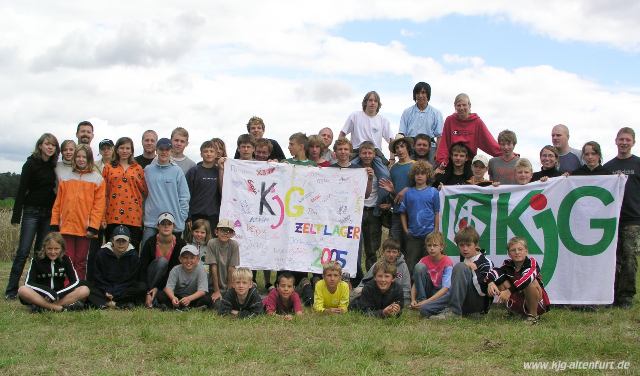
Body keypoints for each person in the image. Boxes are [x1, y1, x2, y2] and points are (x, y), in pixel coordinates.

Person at [5, 133, 59, 300]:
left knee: (40, 252)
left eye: (53, 145)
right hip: (31, 212)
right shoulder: (30, 164)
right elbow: (21, 190)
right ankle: (11, 290)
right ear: (40, 146)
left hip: (47, 214)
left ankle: (35, 287)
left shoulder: (54, 166)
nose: (50, 147)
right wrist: (16, 215)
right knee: (23, 251)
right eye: (47, 144)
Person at [51, 144, 105, 280]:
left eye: (84, 157)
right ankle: (66, 289)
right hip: (66, 227)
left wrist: (93, 227)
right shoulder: (66, 177)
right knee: (67, 260)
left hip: (85, 229)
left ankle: (79, 292)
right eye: (78, 157)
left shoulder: (97, 179)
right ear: (74, 158)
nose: (81, 160)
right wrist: (54, 224)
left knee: (81, 262)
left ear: (89, 159)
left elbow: (98, 207)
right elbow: (58, 203)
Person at [603, 127, 640, 308]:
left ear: (633, 142)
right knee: (611, 259)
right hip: (610, 219)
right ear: (615, 141)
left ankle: (626, 297)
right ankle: (611, 295)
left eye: (627, 140)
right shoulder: (608, 167)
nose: (624, 143)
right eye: (621, 139)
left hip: (632, 219)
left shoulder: (638, 164)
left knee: (630, 259)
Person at [430, 226, 494, 319]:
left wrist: (474, 270)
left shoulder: (485, 262)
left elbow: (484, 292)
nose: (465, 249)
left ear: (476, 245)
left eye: (468, 245)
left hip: (478, 306)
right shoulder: (464, 259)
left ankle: (455, 312)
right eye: (461, 245)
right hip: (463, 303)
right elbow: (455, 288)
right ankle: (451, 309)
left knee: (460, 266)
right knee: (426, 309)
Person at [17, 232, 89, 312]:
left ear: (62, 248)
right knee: (22, 290)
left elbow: (75, 281)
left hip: (59, 296)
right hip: (41, 295)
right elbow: (29, 283)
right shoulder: (36, 260)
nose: (53, 252)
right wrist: (48, 292)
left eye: (56, 249)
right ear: (44, 248)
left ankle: (45, 307)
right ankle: (58, 308)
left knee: (85, 290)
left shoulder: (66, 259)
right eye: (49, 249)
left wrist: (59, 294)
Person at [488, 236, 551, 324]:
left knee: (531, 282)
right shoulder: (507, 264)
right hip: (519, 299)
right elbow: (494, 272)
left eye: (520, 249)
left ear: (526, 251)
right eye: (513, 250)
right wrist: (490, 283)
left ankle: (533, 317)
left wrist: (509, 291)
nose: (517, 252)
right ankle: (514, 312)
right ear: (509, 254)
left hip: (537, 303)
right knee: (500, 281)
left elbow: (526, 279)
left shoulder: (532, 263)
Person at [142, 137, 190, 247]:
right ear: (156, 150)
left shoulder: (177, 171)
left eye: (167, 150)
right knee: (147, 255)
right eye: (161, 149)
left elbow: (184, 196)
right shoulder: (148, 170)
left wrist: (181, 216)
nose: (164, 152)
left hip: (173, 223)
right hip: (152, 222)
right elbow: (143, 193)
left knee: (173, 259)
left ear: (171, 151)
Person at [102, 137, 147, 249]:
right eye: (122, 148)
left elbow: (145, 191)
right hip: (112, 215)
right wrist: (102, 217)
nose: (125, 151)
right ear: (116, 150)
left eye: (128, 148)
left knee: (132, 251)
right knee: (112, 250)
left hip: (133, 217)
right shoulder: (108, 168)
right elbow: (103, 193)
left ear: (131, 151)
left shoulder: (138, 168)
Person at [397, 160, 440, 275]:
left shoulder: (433, 192)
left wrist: (435, 231)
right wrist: (406, 230)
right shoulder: (408, 193)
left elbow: (437, 212)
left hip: (429, 236)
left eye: (422, 173)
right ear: (413, 176)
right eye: (417, 173)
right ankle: (410, 291)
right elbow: (402, 213)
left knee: (429, 266)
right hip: (413, 236)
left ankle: (427, 291)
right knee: (411, 264)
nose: (419, 176)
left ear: (428, 175)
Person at [435, 93, 501, 168]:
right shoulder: (450, 120)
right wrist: (442, 160)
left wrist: (507, 153)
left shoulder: (477, 122)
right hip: (452, 160)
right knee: (440, 177)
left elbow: (489, 142)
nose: (461, 108)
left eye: (464, 105)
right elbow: (444, 142)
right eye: (459, 105)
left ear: (469, 105)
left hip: (469, 162)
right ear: (455, 107)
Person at [88, 225, 146, 308]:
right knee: (88, 286)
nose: (121, 243)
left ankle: (106, 303)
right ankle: (119, 303)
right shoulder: (101, 254)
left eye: (124, 241)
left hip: (123, 290)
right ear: (112, 240)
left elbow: (132, 280)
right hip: (105, 289)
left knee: (142, 287)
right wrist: (106, 291)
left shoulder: (134, 256)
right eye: (118, 240)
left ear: (129, 241)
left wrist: (116, 292)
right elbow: (98, 277)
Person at [340, 90, 394, 177]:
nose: (373, 103)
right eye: (370, 100)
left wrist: (392, 158)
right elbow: (342, 134)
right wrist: (339, 150)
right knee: (346, 173)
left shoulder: (383, 120)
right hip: (356, 152)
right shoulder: (355, 116)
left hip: (375, 153)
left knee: (385, 175)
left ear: (378, 104)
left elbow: (391, 140)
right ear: (365, 102)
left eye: (375, 101)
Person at [354, 142, 388, 275]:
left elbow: (386, 186)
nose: (367, 156)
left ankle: (371, 277)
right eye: (364, 153)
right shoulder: (354, 169)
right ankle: (356, 277)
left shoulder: (380, 170)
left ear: (374, 154)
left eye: (370, 153)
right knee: (354, 246)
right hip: (357, 211)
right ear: (360, 154)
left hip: (373, 212)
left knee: (372, 248)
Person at [139, 212, 185, 308]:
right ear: (158, 226)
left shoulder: (181, 244)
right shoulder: (150, 242)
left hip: (169, 280)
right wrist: (148, 290)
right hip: (151, 278)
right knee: (162, 262)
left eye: (169, 224)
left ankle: (153, 299)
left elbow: (175, 270)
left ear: (174, 226)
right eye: (163, 224)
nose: (166, 227)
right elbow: (142, 268)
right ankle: (150, 295)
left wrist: (158, 288)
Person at [351, 238, 411, 306]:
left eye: (394, 252)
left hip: (394, 295)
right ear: (383, 252)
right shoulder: (378, 264)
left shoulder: (403, 266)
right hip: (376, 293)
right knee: (357, 291)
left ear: (398, 253)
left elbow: (406, 286)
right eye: (388, 251)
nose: (391, 254)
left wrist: (405, 302)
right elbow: (364, 282)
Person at [379, 135, 414, 245]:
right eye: (397, 148)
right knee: (394, 245)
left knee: (411, 245)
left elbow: (423, 188)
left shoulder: (415, 165)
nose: (399, 150)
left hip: (413, 211)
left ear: (407, 147)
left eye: (402, 146)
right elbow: (396, 195)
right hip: (397, 212)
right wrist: (393, 191)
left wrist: (408, 189)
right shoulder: (393, 168)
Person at [398, 82, 444, 165]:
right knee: (409, 170)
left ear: (428, 95)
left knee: (431, 172)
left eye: (423, 92)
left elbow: (439, 135)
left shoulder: (436, 113)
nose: (420, 95)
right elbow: (401, 133)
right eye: (418, 93)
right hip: (411, 145)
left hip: (429, 146)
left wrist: (438, 153)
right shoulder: (407, 112)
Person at [156, 244, 212, 310]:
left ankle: (189, 308)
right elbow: (168, 288)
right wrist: (173, 298)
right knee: (160, 294)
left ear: (197, 259)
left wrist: (189, 298)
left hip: (193, 298)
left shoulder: (201, 270)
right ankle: (181, 307)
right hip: (178, 297)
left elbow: (202, 291)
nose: (189, 261)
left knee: (207, 298)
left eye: (192, 258)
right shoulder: (175, 269)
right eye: (185, 258)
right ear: (180, 259)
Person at [411, 232, 454, 317]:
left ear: (441, 247)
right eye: (429, 245)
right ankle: (421, 301)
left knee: (448, 294)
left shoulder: (447, 262)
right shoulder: (423, 260)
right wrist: (412, 299)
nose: (432, 248)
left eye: (435, 245)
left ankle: (426, 304)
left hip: (440, 292)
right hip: (428, 290)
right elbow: (416, 283)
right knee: (419, 267)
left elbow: (446, 288)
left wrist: (428, 302)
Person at [185, 140, 224, 232]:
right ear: (201, 154)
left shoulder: (220, 171)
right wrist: (188, 216)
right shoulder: (193, 172)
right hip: (195, 215)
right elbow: (186, 195)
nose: (209, 154)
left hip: (213, 216)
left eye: (211, 151)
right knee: (194, 244)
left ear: (216, 154)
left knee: (211, 244)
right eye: (205, 151)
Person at [205, 219, 240, 305]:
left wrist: (229, 291)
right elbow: (213, 267)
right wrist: (217, 291)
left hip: (229, 284)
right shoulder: (212, 243)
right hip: (213, 286)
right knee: (216, 304)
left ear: (232, 234)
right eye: (222, 230)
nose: (225, 233)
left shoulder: (234, 245)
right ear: (216, 231)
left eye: (228, 231)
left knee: (234, 302)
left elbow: (232, 268)